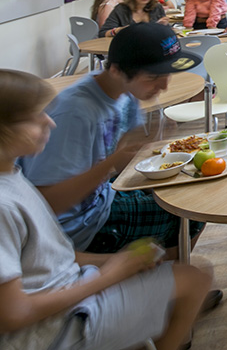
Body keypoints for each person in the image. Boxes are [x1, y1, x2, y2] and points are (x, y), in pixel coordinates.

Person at [0, 70, 212, 350]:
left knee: (182, 277)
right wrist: (109, 275)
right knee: (194, 280)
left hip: (72, 289)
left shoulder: (12, 176)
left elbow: (55, 256)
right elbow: (13, 315)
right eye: (33, 117)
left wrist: (116, 262)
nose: (49, 121)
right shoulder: (4, 204)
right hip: (54, 329)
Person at [20, 23, 208, 254]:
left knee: (190, 196)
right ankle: (161, 273)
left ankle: (159, 270)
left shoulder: (124, 93)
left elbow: (123, 158)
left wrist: (146, 148)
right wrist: (112, 162)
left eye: (167, 74)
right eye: (153, 77)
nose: (164, 85)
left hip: (101, 198)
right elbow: (47, 203)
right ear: (117, 71)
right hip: (75, 227)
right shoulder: (74, 114)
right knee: (190, 215)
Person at [99, 0, 169, 36]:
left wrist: (162, 26)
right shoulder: (121, 9)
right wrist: (118, 30)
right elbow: (103, 33)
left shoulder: (157, 7)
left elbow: (167, 31)